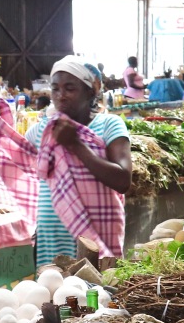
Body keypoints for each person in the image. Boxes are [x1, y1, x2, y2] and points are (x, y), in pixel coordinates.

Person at [25, 58, 131, 263]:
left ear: (91, 91)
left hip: (97, 234)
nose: (60, 96)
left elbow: (123, 180)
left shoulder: (109, 125)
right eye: (55, 89)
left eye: (69, 88)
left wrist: (75, 145)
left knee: (96, 292)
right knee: (57, 293)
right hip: (52, 238)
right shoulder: (42, 132)